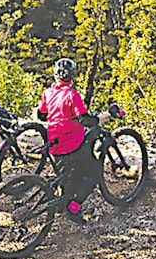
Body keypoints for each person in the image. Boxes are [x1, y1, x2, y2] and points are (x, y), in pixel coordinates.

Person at [37, 57, 110, 224]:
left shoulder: (47, 93)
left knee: (67, 176)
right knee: (95, 173)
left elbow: (41, 115)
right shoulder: (72, 95)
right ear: (71, 76)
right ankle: (73, 207)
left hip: (54, 143)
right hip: (72, 144)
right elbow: (86, 120)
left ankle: (64, 199)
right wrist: (105, 116)